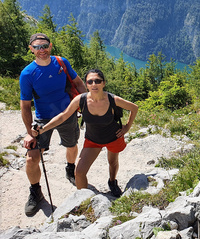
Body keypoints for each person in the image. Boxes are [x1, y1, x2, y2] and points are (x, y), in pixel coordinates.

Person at [32, 69, 138, 197]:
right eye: (90, 81)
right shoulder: (80, 100)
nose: (94, 84)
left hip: (113, 137)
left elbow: (134, 108)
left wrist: (127, 127)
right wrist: (43, 128)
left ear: (103, 83)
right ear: (86, 85)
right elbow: (63, 116)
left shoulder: (112, 99)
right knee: (79, 172)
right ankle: (83, 201)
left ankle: (112, 182)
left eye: (97, 81)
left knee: (112, 162)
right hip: (93, 140)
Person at [20, 33, 87, 216]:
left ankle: (70, 169)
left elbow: (77, 82)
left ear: (50, 46)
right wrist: (29, 132)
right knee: (32, 158)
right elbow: (25, 106)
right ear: (31, 49)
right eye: (37, 47)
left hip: (68, 113)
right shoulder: (27, 74)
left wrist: (86, 104)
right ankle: (36, 192)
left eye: (44, 46)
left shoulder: (61, 62)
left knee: (72, 145)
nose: (41, 50)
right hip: (43, 120)